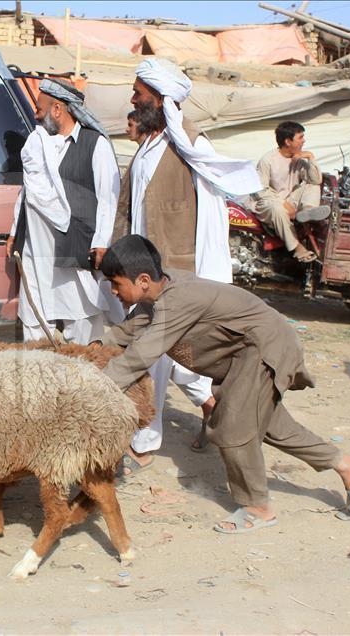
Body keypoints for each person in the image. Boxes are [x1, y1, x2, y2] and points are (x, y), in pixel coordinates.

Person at [99, 235, 350, 532]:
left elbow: (142, 354)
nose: (113, 290)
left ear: (142, 280)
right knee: (275, 428)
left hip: (263, 350)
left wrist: (94, 386)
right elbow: (131, 328)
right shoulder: (157, 293)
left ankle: (258, 507)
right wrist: (92, 349)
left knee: (232, 428)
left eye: (116, 283)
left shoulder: (178, 299)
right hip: (244, 357)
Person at [112, 58, 261, 473]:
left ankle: (144, 442)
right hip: (143, 273)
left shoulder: (192, 143)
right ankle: (211, 407)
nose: (132, 99)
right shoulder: (148, 144)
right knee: (173, 359)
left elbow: (212, 216)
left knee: (153, 357)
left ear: (160, 98)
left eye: (138, 93)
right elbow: (130, 206)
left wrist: (207, 279)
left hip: (176, 275)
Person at [5, 79, 119, 344]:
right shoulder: (36, 143)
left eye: (39, 109)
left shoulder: (94, 144)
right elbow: (28, 191)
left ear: (57, 109)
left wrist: (102, 242)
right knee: (35, 319)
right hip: (35, 250)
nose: (35, 115)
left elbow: (108, 197)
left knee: (81, 319)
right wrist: (13, 232)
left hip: (73, 246)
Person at [254, 121, 332, 263]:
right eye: (300, 137)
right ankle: (297, 248)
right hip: (269, 203)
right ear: (288, 141)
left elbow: (316, 180)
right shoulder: (267, 160)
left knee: (312, 184)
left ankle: (308, 211)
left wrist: (311, 157)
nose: (304, 141)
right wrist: (283, 204)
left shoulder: (299, 159)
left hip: (290, 200)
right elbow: (260, 189)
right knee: (277, 209)